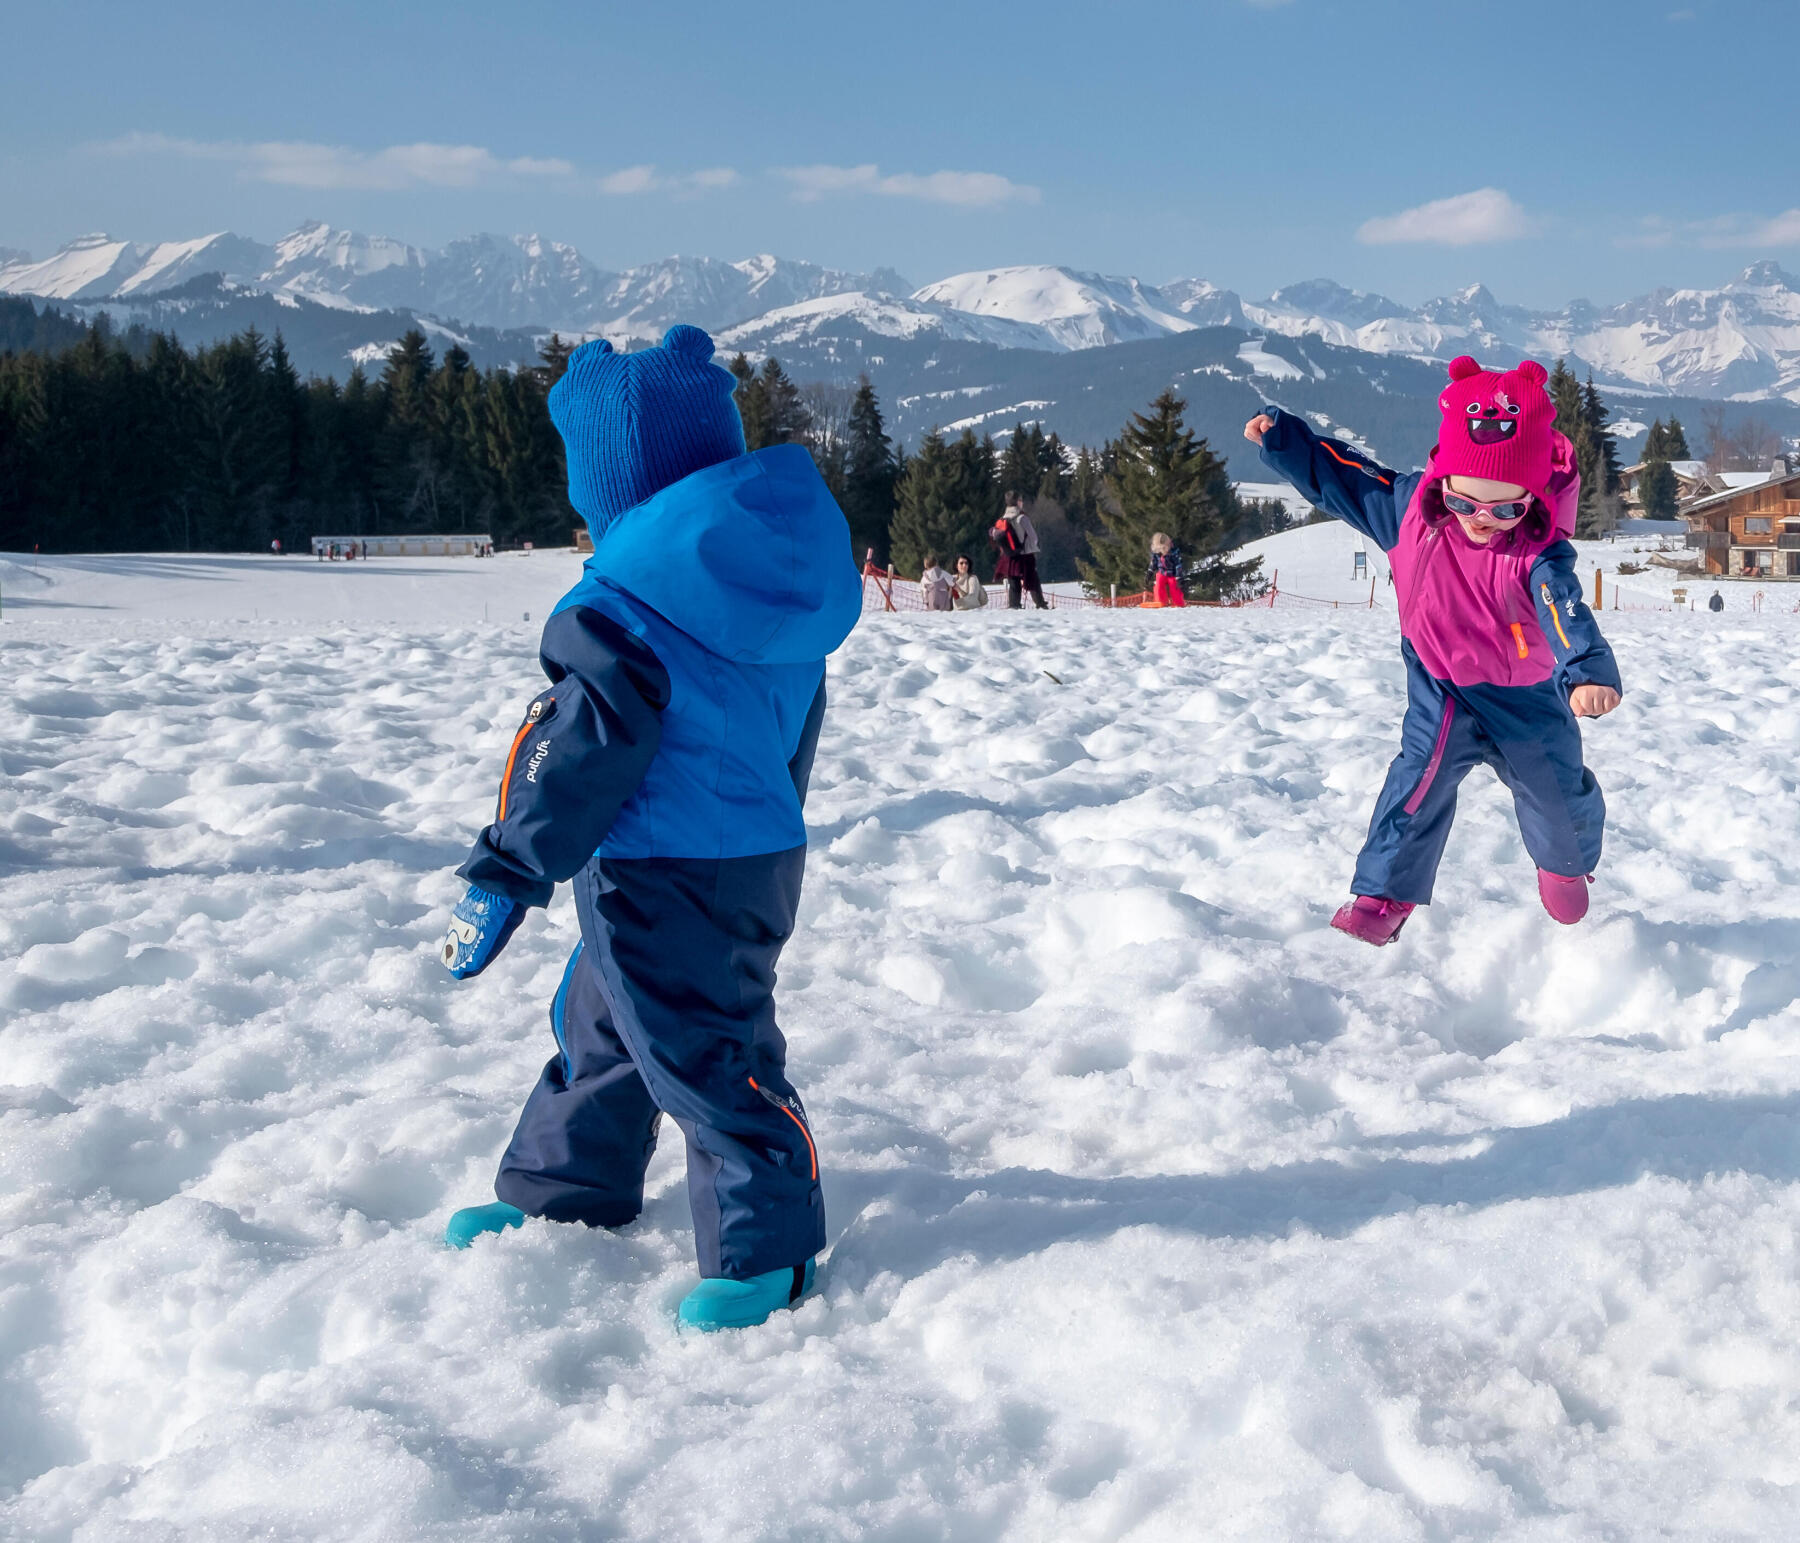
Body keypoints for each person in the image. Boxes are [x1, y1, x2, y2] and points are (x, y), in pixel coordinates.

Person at [437, 325, 860, 1331]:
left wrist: (506, 868)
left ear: (613, 486)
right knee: (609, 1030)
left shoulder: (626, 608)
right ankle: (564, 1185)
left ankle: (773, 1252)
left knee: (707, 1051)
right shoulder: (768, 587)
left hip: (660, 865)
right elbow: (792, 730)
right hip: (745, 850)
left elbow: (576, 751)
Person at [1246, 355, 1621, 945]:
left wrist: (1587, 672)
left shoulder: (1536, 551)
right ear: (1443, 481)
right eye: (1467, 502)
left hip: (1526, 697)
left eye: (1505, 508)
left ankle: (1566, 867)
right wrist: (1287, 441)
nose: (1481, 519)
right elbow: (1345, 475)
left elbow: (1565, 611)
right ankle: (1382, 897)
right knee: (1417, 780)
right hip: (1439, 685)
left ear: (1531, 499)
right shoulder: (1408, 513)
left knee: (1556, 794)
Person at [990, 491, 1048, 609]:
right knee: (1032, 579)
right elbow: (1034, 538)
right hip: (1024, 555)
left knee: (1013, 582)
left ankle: (1014, 605)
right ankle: (1040, 604)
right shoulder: (1022, 518)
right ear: (1018, 502)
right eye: (1021, 500)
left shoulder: (1002, 519)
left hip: (1008, 556)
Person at [1148, 532, 1186, 607]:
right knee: (1158, 585)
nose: (1163, 550)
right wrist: (1149, 572)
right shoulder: (1157, 554)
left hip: (1173, 574)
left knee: (1174, 587)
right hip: (1162, 572)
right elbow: (1153, 563)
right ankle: (1160, 602)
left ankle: (1178, 604)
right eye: (1160, 548)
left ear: (1168, 545)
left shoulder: (1173, 553)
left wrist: (1179, 578)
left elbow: (1178, 565)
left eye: (1164, 548)